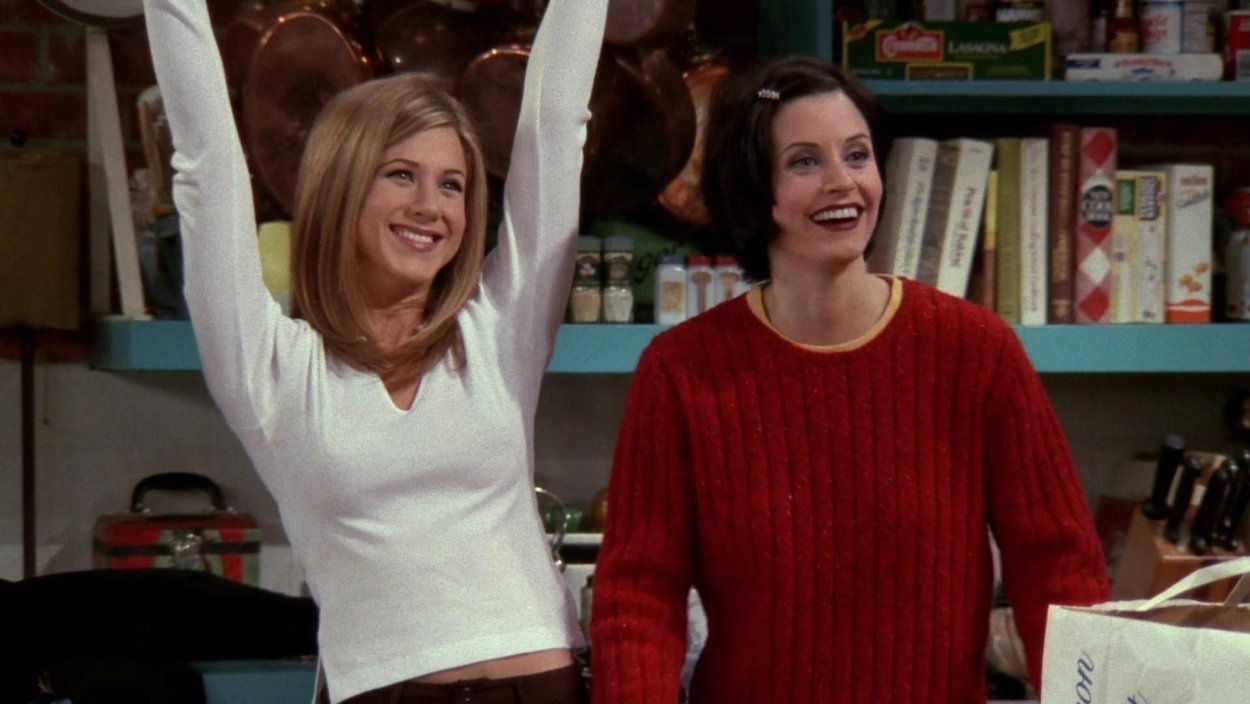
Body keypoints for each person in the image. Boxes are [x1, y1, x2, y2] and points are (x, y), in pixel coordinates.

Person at [589, 56, 1109, 703]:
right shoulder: (681, 372)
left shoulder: (976, 352)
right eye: (805, 162)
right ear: (754, 186)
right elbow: (638, 598)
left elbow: (1060, 569)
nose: (843, 183)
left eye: (857, 155)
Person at [142, 0, 607, 702]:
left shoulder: (500, 331)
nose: (431, 206)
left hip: (538, 684)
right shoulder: (271, 367)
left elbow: (556, 126)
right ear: (343, 183)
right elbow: (205, 164)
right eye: (400, 175)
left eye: (451, 185)